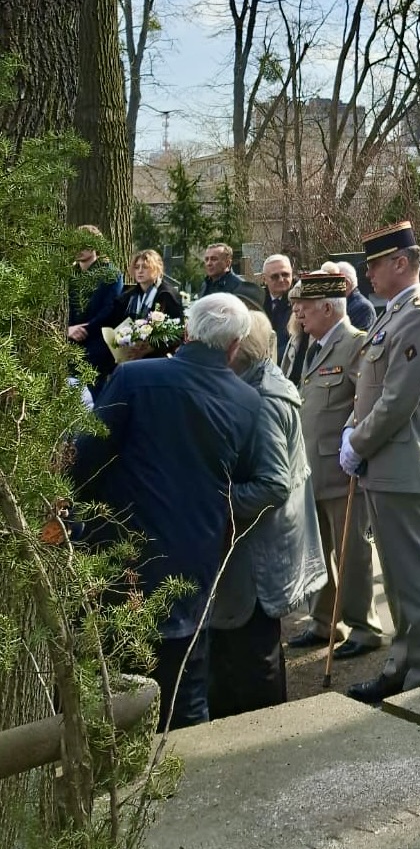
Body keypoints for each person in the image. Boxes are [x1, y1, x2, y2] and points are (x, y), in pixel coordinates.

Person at [72, 294, 262, 730]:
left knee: (113, 690)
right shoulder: (247, 402)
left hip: (121, 558)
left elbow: (84, 458)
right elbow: (243, 477)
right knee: (184, 692)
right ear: (235, 346)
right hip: (192, 559)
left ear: (188, 332)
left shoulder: (134, 378)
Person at [340, 220, 420, 703]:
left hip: (402, 464)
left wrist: (357, 443)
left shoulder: (419, 317)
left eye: (375, 265)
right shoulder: (393, 315)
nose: (370, 276)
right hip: (384, 465)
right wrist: (352, 431)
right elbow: (370, 390)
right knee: (399, 582)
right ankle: (403, 663)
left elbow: (398, 400)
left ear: (400, 263)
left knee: (416, 581)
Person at [208, 312, 326, 719]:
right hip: (261, 547)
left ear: (237, 348)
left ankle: (265, 737)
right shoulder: (260, 382)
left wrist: (218, 500)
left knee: (253, 658)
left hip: (257, 555)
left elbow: (273, 485)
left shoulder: (260, 401)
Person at [287, 271, 383, 659]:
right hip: (313, 468)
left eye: (305, 307)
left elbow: (366, 402)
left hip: (342, 470)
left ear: (328, 307)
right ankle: (324, 620)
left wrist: (353, 445)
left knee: (352, 553)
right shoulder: (311, 344)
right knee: (320, 550)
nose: (298, 313)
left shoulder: (356, 345)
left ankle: (364, 626)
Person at [67, 224, 123, 398]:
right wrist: (68, 329)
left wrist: (85, 328)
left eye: (85, 244)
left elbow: (109, 310)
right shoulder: (69, 274)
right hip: (68, 339)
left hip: (97, 342)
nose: (79, 249)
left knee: (94, 395)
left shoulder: (110, 273)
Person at [109, 249, 184, 327]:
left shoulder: (167, 295)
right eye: (137, 267)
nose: (140, 271)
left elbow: (177, 326)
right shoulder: (127, 297)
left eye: (145, 267)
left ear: (156, 268)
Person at [199, 242, 264, 311]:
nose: (209, 263)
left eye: (214, 259)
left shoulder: (241, 286)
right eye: (206, 259)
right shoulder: (205, 285)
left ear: (228, 263)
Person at [321, 259, 376, 330]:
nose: (327, 288)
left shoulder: (362, 308)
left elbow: (355, 340)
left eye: (331, 283)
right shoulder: (348, 306)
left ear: (346, 284)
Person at [262, 253, 293, 363]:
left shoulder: (300, 302)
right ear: (264, 279)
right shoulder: (257, 301)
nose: (281, 279)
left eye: (285, 274)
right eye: (275, 276)